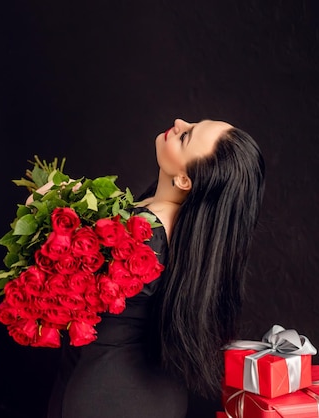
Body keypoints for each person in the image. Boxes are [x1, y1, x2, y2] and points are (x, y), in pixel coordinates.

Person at [44, 118, 266, 418]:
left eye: (186, 136)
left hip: (110, 397)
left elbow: (66, 283)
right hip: (149, 395)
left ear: (185, 180)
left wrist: (46, 207)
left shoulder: (147, 235)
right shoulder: (184, 235)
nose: (178, 122)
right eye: (192, 122)